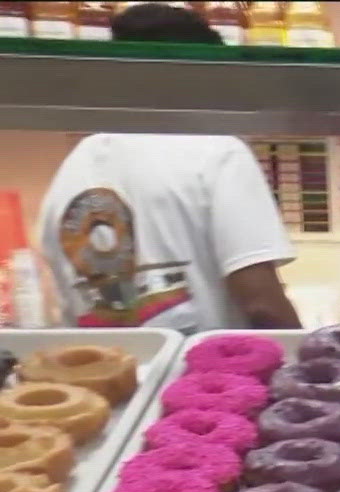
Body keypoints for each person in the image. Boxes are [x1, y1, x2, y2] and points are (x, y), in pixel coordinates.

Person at [35, 3, 300, 331]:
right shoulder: (218, 151)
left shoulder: (74, 165)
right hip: (202, 377)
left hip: (106, 375)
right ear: (194, 75)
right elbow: (263, 304)